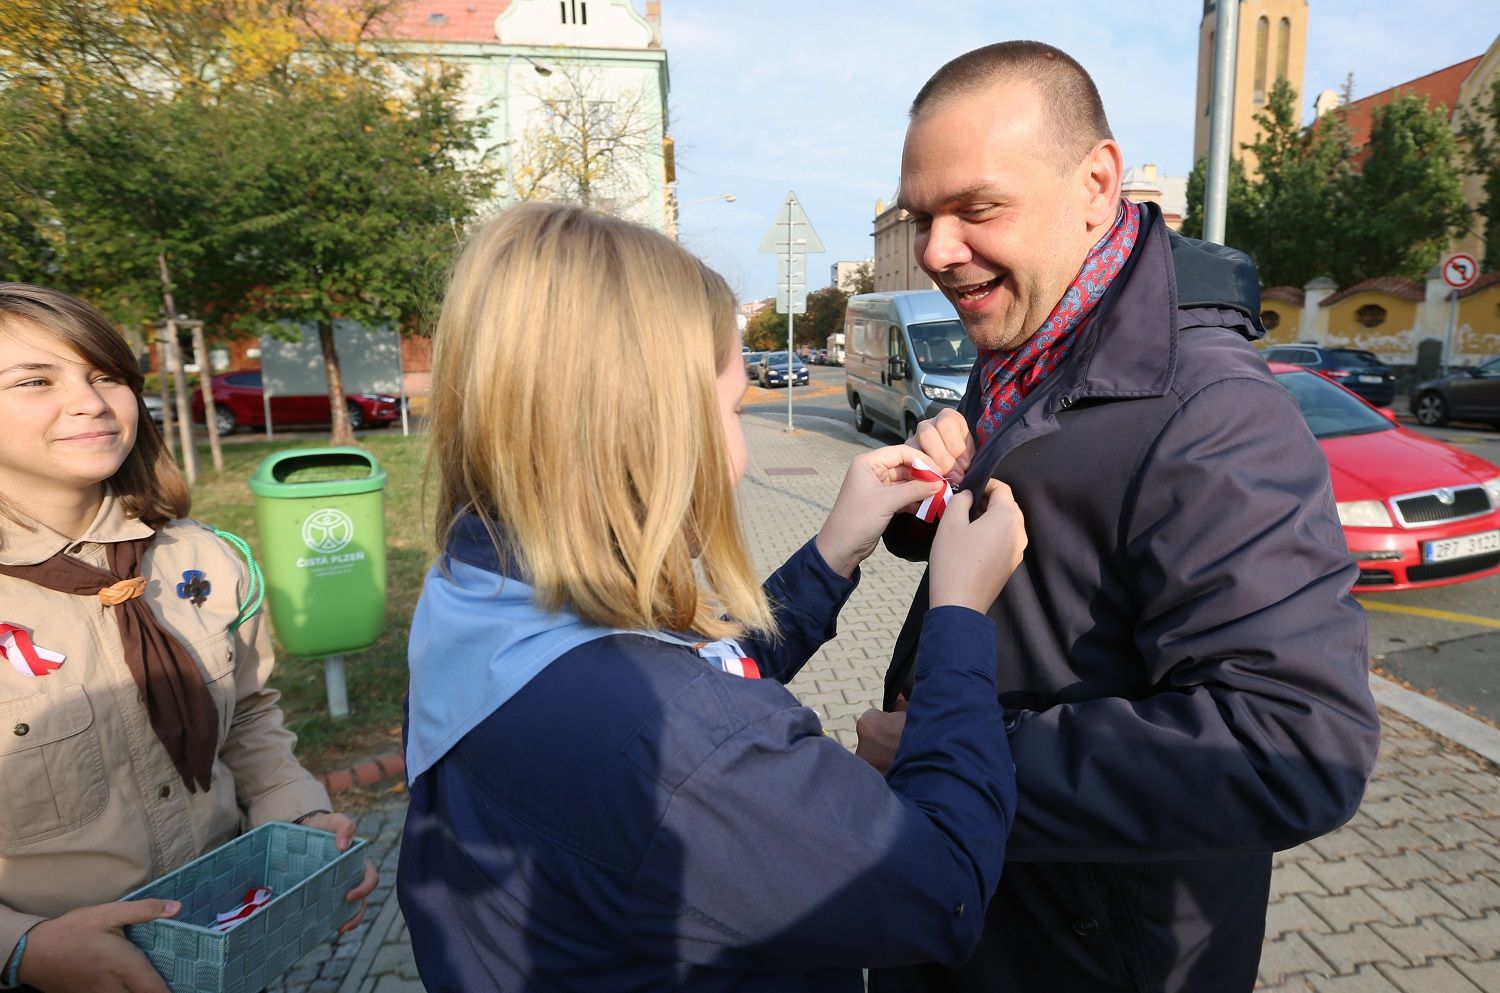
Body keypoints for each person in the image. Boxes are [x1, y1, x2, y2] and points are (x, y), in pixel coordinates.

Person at [396, 201, 1030, 992]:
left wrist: (833, 550)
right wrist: (960, 613)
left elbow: (686, 670)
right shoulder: (682, 752)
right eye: (730, 409)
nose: (739, 455)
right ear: (652, 430)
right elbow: (943, 888)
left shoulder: (478, 591)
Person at [856, 42, 1381, 993]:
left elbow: (1295, 746)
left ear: (1097, 185)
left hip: (1089, 956)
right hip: (991, 912)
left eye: (977, 209)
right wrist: (930, 497)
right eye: (922, 216)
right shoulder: (1035, 336)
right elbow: (1052, 536)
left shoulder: (1212, 412)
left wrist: (959, 754)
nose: (936, 251)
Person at [0, 283, 377, 993]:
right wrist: (22, 947)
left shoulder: (204, 558)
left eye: (104, 375)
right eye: (34, 381)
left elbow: (250, 717)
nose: (89, 402)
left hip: (224, 943)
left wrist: (300, 819)